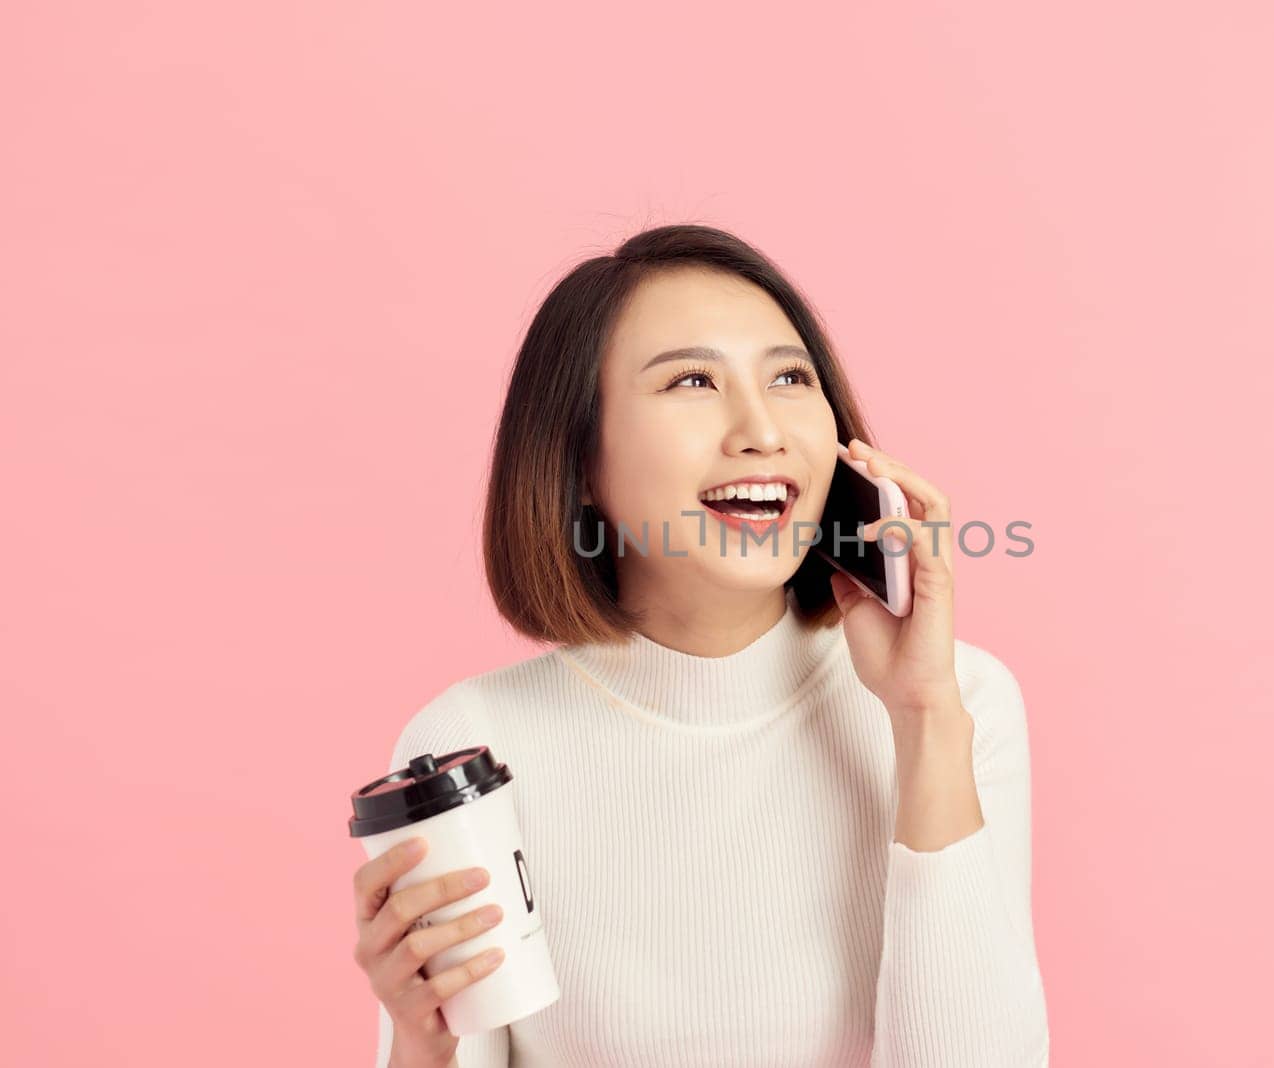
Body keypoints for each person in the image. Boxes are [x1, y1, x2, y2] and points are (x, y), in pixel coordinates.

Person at [348, 224, 1050, 1067]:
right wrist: (420, 1048)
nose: (761, 430)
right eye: (691, 380)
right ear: (581, 459)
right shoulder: (473, 746)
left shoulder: (961, 702)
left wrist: (924, 717)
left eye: (791, 377)